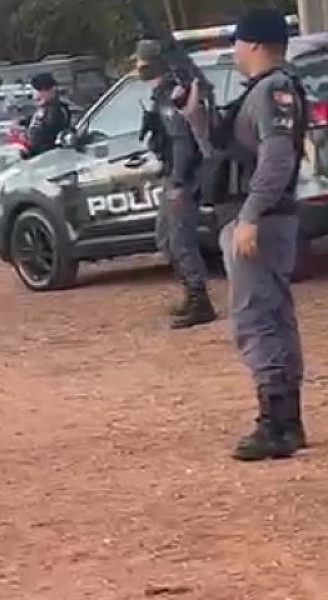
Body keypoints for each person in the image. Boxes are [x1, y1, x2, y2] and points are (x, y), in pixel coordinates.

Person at [181, 9, 307, 461]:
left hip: (261, 221)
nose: (234, 51)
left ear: (252, 44)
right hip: (257, 217)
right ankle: (285, 419)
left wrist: (251, 214)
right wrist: (196, 117)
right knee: (272, 314)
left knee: (257, 318)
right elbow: (227, 156)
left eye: (237, 43)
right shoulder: (261, 92)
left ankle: (276, 424)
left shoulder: (272, 91)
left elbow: (276, 160)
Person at [135, 40, 216, 330]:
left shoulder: (171, 95)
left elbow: (182, 142)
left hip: (183, 178)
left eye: (141, 61)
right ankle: (190, 292)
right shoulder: (164, 93)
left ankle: (200, 300)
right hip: (174, 175)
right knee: (166, 238)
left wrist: (180, 181)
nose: (137, 66)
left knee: (181, 241)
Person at [24, 73, 71, 158]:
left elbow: (46, 138)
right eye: (35, 90)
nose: (35, 95)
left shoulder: (57, 112)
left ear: (52, 90)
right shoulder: (44, 109)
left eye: (40, 90)